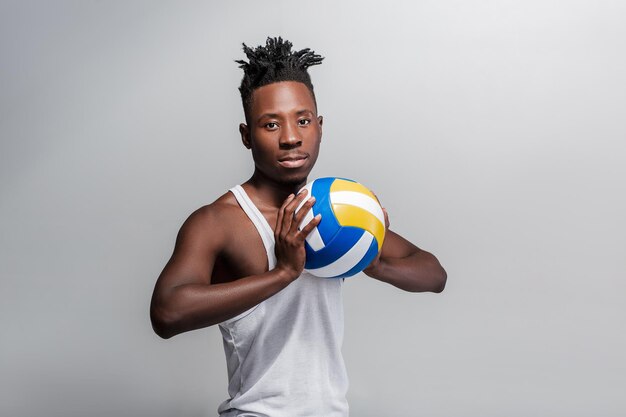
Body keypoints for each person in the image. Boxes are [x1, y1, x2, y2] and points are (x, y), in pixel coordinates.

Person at [150, 36, 447, 417]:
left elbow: (435, 275)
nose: (291, 138)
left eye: (303, 121)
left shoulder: (334, 210)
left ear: (320, 127)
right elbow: (167, 313)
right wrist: (285, 273)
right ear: (246, 136)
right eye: (271, 124)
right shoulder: (219, 221)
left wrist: (371, 259)